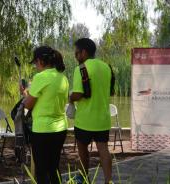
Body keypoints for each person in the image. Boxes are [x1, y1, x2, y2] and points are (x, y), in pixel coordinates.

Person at [20, 46, 69, 184]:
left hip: (43, 130)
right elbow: (47, 99)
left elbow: (28, 104)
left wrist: (24, 95)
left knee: (41, 171)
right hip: (60, 128)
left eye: (35, 63)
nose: (35, 66)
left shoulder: (40, 77)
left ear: (40, 61)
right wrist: (27, 95)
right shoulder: (63, 78)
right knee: (54, 168)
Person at [69, 38, 113, 184]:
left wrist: (70, 98)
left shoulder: (81, 69)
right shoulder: (107, 67)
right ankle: (109, 181)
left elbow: (78, 94)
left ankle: (83, 178)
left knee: (82, 151)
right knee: (104, 150)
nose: (76, 56)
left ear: (84, 52)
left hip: (85, 120)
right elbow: (110, 92)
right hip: (103, 119)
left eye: (77, 53)